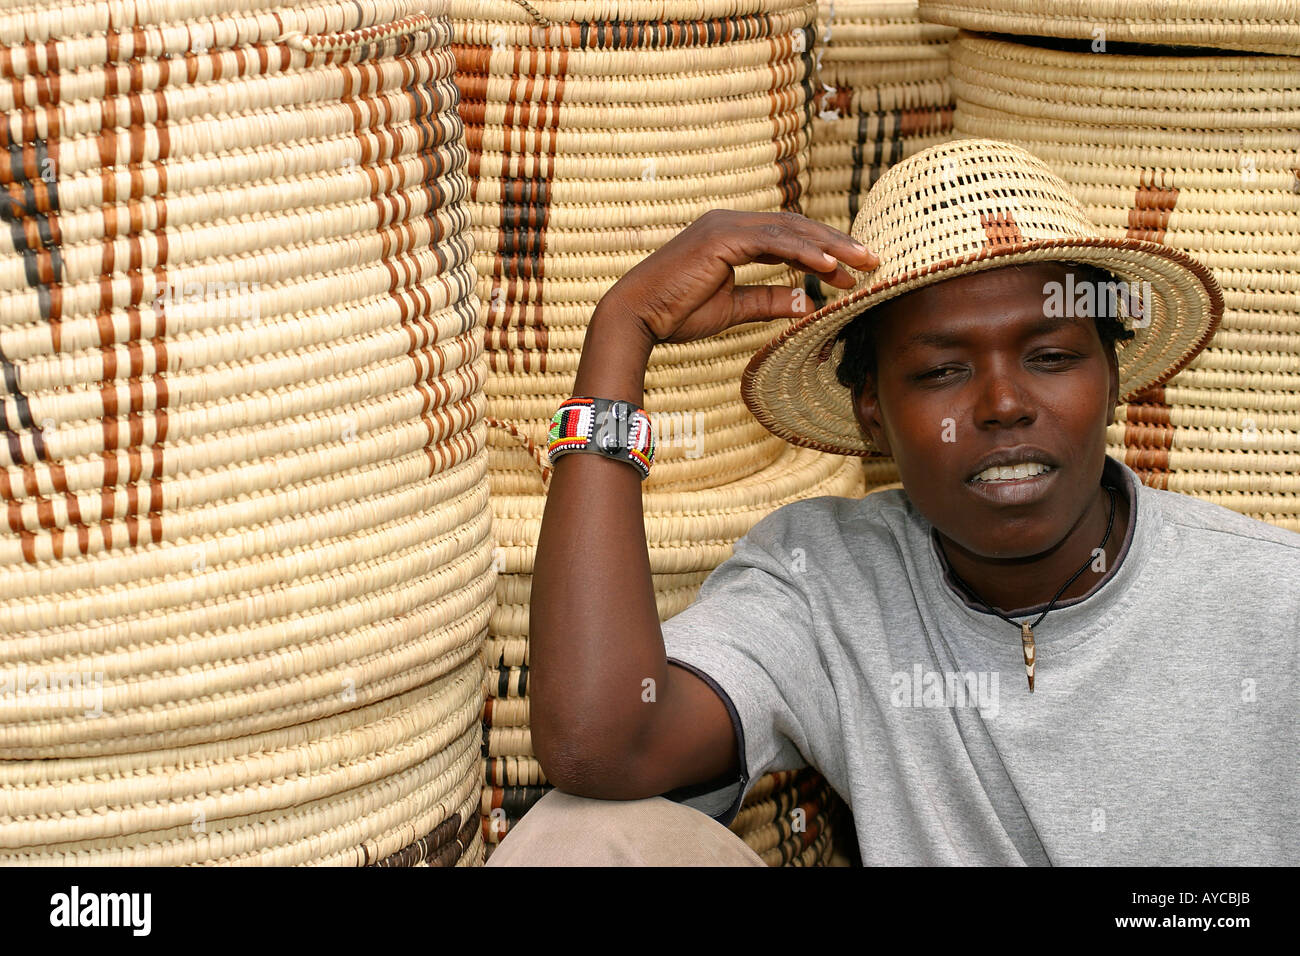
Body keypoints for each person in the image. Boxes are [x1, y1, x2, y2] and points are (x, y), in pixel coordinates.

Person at [486, 139, 1299, 866]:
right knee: (582, 838)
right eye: (942, 371)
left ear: (1112, 382)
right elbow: (602, 742)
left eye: (1051, 356)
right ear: (872, 412)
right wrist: (623, 329)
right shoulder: (829, 580)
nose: (1003, 404)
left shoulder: (1270, 600)